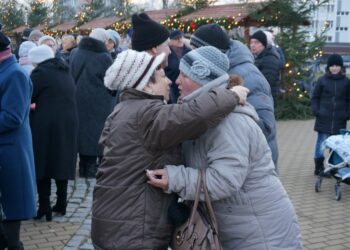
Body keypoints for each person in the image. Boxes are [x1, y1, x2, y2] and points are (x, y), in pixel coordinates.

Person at [91, 48, 249, 250]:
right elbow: (192, 115)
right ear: (146, 85)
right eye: (162, 77)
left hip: (117, 223)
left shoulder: (126, 109)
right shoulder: (146, 113)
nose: (169, 82)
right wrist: (231, 95)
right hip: (133, 231)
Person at [147, 46, 302, 250]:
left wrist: (175, 178)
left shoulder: (229, 122)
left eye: (184, 75)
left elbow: (224, 180)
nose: (176, 80)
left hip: (262, 233)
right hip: (241, 227)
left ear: (200, 80)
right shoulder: (204, 117)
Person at [190, 24, 279, 168]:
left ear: (212, 52)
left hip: (252, 165)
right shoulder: (216, 72)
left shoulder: (249, 77)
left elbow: (266, 127)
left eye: (196, 51)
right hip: (231, 160)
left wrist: (223, 118)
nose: (192, 56)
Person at [28, 45, 78, 220]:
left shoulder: (39, 73)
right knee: (61, 161)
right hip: (68, 122)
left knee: (43, 163)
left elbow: (28, 96)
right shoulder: (64, 70)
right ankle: (61, 203)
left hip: (45, 124)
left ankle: (44, 207)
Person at [0, 31, 36, 250]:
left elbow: (12, 118)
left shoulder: (14, 73)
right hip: (5, 153)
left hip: (10, 154)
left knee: (11, 231)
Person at [69, 28, 114, 178]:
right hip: (99, 104)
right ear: (103, 40)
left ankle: (84, 167)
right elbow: (111, 83)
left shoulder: (75, 53)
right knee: (96, 135)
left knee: (82, 134)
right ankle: (92, 170)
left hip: (77, 101)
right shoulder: (104, 57)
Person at [311, 54, 350, 176]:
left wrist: (347, 113)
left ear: (341, 67)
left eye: (337, 65)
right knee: (321, 144)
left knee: (336, 146)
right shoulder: (322, 80)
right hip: (323, 118)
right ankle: (318, 168)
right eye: (332, 66)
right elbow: (315, 97)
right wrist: (317, 111)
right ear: (328, 67)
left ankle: (334, 167)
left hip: (339, 119)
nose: (334, 68)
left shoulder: (346, 82)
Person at [250, 30, 281, 103]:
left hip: (265, 100)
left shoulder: (270, 60)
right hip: (260, 98)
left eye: (256, 42)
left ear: (263, 44)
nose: (252, 45)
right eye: (251, 42)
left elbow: (266, 83)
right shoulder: (258, 58)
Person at [165, 29, 191, 103]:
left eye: (180, 37)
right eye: (176, 38)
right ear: (170, 41)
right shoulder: (167, 52)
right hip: (171, 86)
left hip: (186, 85)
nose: (179, 40)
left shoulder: (189, 51)